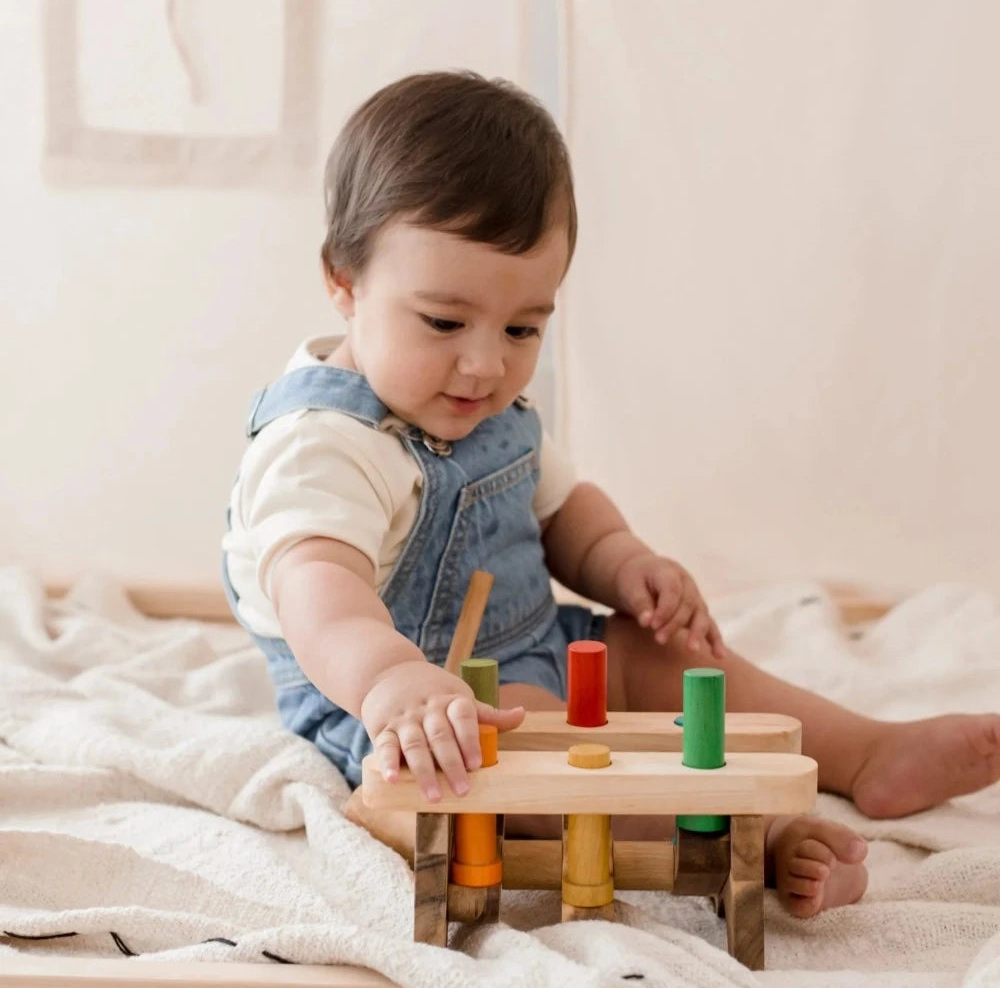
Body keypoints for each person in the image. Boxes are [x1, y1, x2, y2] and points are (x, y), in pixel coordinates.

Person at [222, 70, 999, 918]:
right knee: (542, 772)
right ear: (344, 280)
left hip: (544, 642)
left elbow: (561, 509)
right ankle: (750, 840)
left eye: (523, 327)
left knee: (670, 660)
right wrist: (388, 682)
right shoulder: (322, 446)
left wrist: (626, 563)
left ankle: (864, 752)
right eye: (444, 323)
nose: (486, 364)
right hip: (424, 711)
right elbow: (319, 595)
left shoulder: (478, 405)